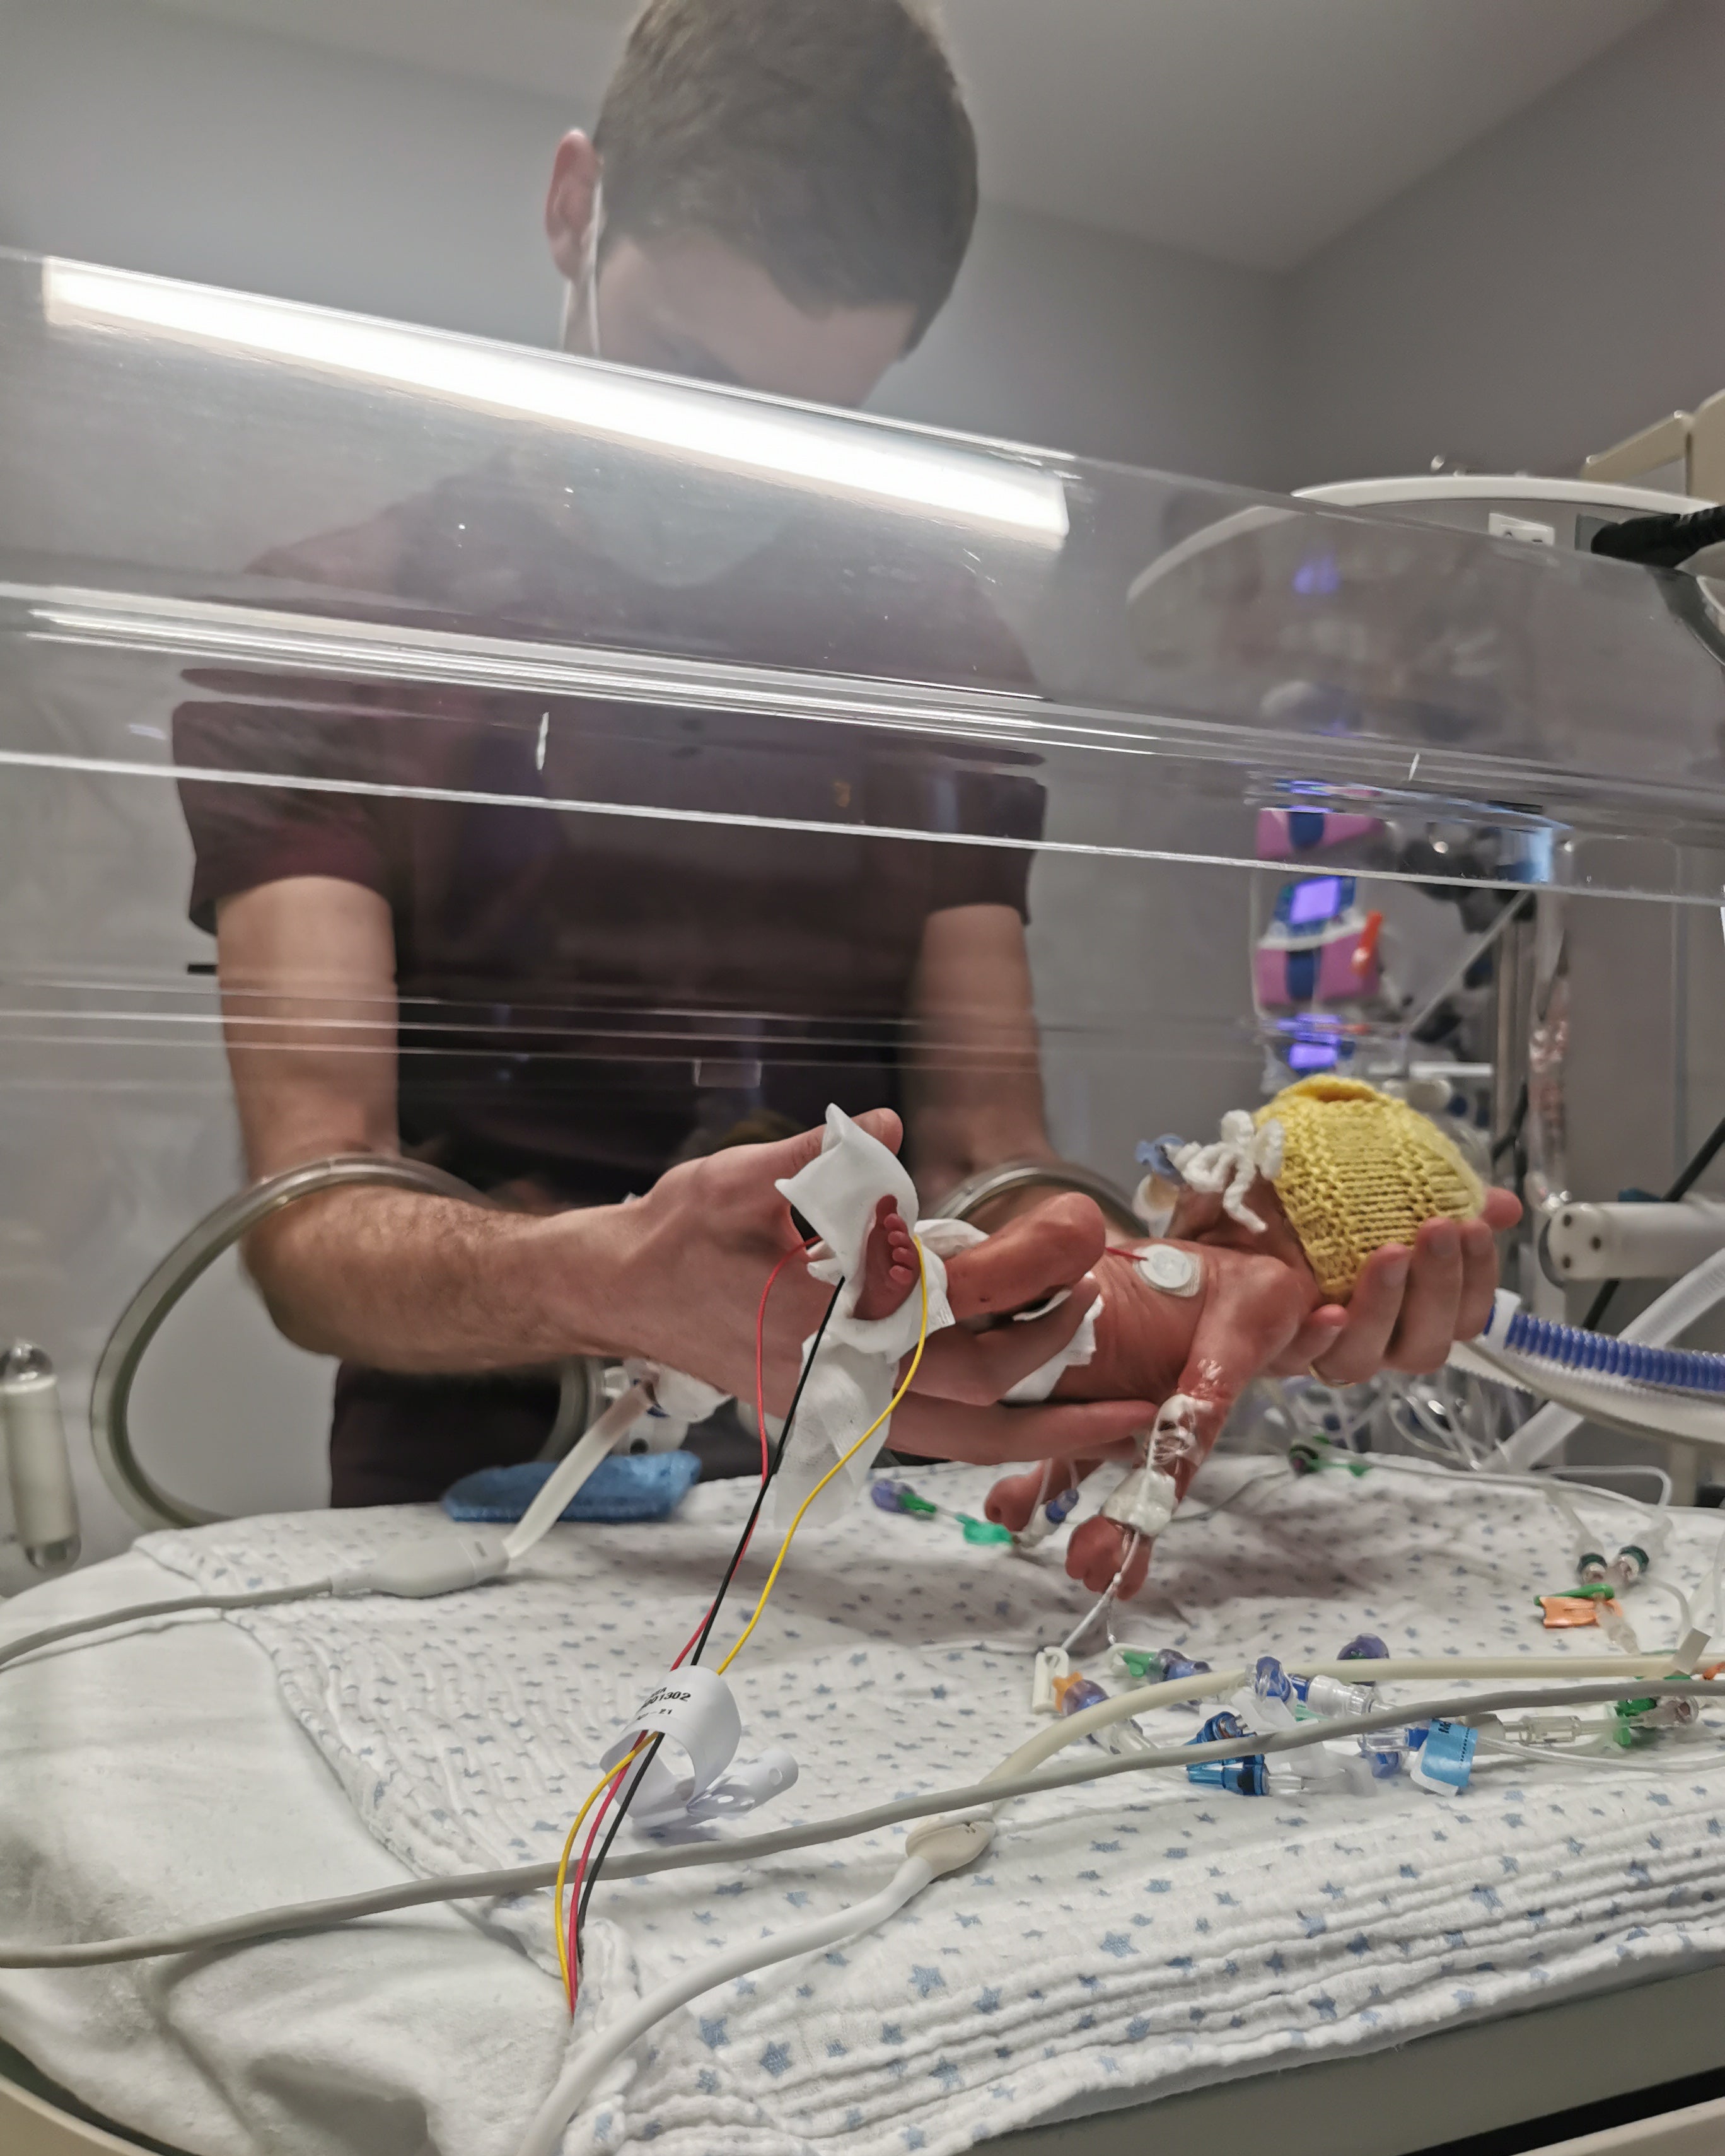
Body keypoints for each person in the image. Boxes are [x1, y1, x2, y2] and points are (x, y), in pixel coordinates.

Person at [177, 0, 1514, 1516]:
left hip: (861, 1482)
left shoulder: (930, 668)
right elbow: (313, 1202)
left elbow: (982, 1143)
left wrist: (1134, 1272)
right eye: (685, 363)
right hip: (470, 1486)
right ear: (573, 211)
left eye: (814, 420)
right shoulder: (338, 638)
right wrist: (599, 1283)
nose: (724, 465)